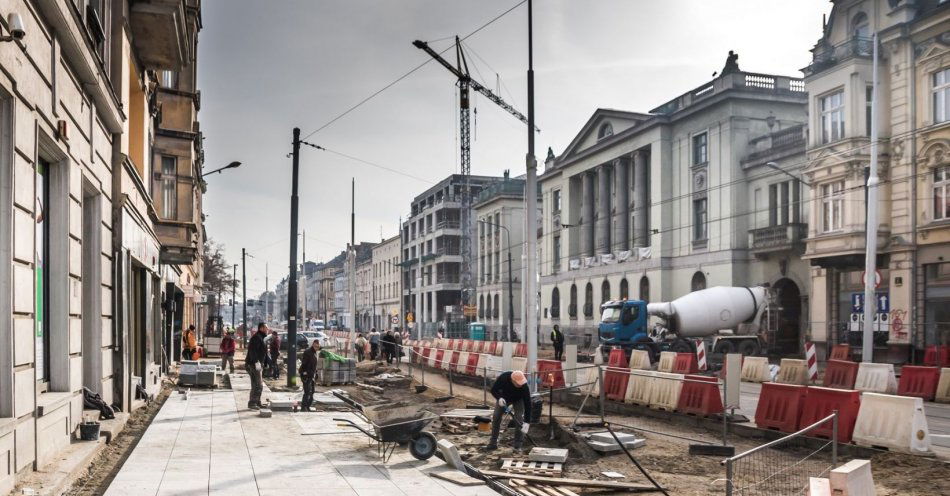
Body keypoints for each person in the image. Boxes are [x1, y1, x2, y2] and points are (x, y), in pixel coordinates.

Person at [487, 370, 532, 451]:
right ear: (512, 380)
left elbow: (528, 403)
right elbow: (493, 390)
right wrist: (499, 398)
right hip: (504, 398)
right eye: (518, 383)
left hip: (518, 399)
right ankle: (493, 442)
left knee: (519, 419)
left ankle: (518, 445)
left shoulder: (524, 386)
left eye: (521, 383)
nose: (520, 385)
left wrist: (527, 422)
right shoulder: (504, 377)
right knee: (496, 416)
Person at [246, 323, 268, 409]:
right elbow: (252, 351)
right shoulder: (257, 338)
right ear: (261, 328)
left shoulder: (261, 337)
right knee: (258, 385)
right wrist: (256, 362)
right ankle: (252, 403)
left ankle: (257, 402)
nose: (267, 329)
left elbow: (263, 353)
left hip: (257, 363)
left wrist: (265, 363)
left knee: (256, 384)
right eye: (266, 327)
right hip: (254, 364)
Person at [299, 339, 320, 411]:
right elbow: (304, 364)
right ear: (313, 345)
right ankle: (303, 407)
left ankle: (308, 406)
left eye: (318, 346)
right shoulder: (308, 352)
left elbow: (314, 365)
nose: (317, 348)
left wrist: (315, 373)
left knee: (312, 391)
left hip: (312, 375)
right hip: (307, 375)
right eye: (316, 346)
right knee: (307, 392)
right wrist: (304, 374)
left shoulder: (314, 353)